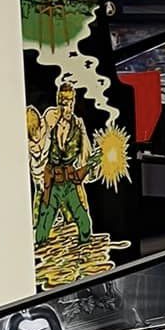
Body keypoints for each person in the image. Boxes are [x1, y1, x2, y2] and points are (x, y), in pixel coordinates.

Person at [36, 76, 94, 244]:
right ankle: (40, 244)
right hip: (53, 180)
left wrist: (88, 166)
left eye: (69, 103)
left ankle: (85, 243)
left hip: (69, 181)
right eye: (63, 102)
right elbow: (39, 143)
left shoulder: (78, 125)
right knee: (45, 219)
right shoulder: (50, 121)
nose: (66, 107)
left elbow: (85, 151)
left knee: (83, 219)